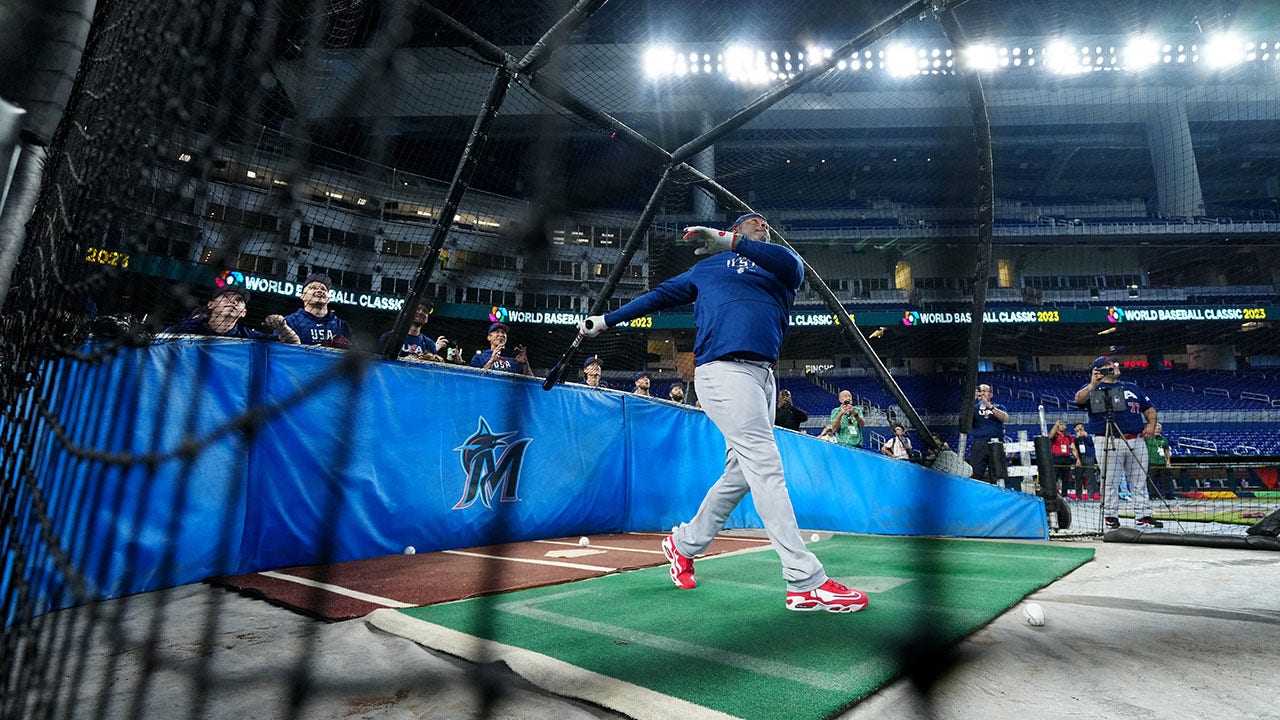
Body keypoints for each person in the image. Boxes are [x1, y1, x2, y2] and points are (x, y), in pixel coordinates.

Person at [576, 211, 867, 613]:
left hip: (764, 377)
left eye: (765, 224)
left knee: (740, 475)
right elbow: (658, 296)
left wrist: (731, 242)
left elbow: (793, 266)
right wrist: (606, 320)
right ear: (733, 229)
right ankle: (804, 581)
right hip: (722, 371)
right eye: (752, 221)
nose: (761, 224)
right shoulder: (707, 267)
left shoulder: (781, 265)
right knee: (766, 467)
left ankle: (683, 545)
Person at [1073, 356, 1163, 529]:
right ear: (1098, 370)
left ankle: (1143, 515)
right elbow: (1078, 399)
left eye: (1112, 364)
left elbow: (1149, 408)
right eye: (1106, 365)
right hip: (1107, 439)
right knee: (1110, 481)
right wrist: (1093, 383)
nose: (1112, 366)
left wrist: (1151, 424)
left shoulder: (1131, 387)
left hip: (1136, 439)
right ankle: (1110, 515)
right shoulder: (1093, 388)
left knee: (1139, 480)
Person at [164, 285, 300, 344]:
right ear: (210, 304)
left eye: (239, 300)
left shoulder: (247, 336)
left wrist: (282, 326)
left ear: (244, 312)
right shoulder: (187, 328)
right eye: (226, 297)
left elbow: (293, 344)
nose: (233, 302)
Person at [284, 272, 354, 347]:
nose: (320, 291)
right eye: (313, 288)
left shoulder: (341, 325)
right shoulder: (289, 322)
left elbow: (357, 354)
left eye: (324, 289)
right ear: (302, 296)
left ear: (329, 299)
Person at [378, 299, 445, 361]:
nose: (421, 312)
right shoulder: (388, 337)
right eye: (417, 309)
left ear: (427, 318)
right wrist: (405, 360)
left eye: (425, 311)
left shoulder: (429, 344)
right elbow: (379, 362)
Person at [969, 383, 1009, 484]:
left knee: (997, 474)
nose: (982, 394)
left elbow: (1005, 418)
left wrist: (989, 406)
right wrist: (972, 400)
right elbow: (965, 420)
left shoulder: (998, 406)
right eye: (980, 391)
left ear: (991, 394)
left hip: (996, 444)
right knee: (975, 473)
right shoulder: (973, 408)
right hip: (979, 443)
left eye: (984, 391)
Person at [1048, 419, 1078, 497]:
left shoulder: (1069, 436)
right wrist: (1055, 425)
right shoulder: (1055, 435)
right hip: (1056, 458)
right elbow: (1050, 436)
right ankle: (1053, 495)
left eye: (1064, 425)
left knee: (1066, 479)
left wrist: (1077, 458)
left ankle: (1065, 495)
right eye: (1060, 425)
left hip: (1066, 458)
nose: (1062, 426)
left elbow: (1073, 448)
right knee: (1055, 477)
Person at [1071, 422, 1099, 499]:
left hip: (1088, 457)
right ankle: (1078, 496)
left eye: (1081, 427)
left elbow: (1092, 444)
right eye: (1078, 427)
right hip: (1079, 458)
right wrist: (1077, 438)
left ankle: (1091, 496)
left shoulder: (1088, 436)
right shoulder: (1074, 437)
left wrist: (1086, 436)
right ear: (1075, 429)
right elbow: (1073, 447)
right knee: (1078, 478)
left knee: (1090, 477)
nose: (1080, 428)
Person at [1146, 423, 1175, 497]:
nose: (1157, 430)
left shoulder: (1164, 439)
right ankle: (1153, 495)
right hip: (1152, 462)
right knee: (1151, 480)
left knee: (1166, 480)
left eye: (1159, 429)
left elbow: (1167, 450)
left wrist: (1168, 461)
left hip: (1162, 462)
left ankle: (1169, 495)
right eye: (1156, 429)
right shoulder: (1147, 438)